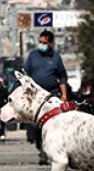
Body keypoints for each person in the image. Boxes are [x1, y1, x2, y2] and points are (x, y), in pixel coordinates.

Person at [24, 30, 68, 161]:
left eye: (44, 42)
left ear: (50, 43)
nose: (41, 44)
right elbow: (26, 75)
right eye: (40, 42)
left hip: (51, 96)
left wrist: (64, 95)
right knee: (36, 126)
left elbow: (62, 77)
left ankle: (46, 152)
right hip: (36, 96)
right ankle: (40, 146)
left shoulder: (56, 58)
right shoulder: (32, 56)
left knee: (50, 125)